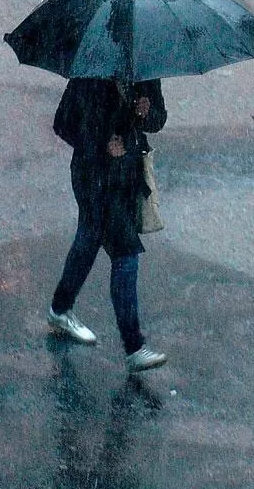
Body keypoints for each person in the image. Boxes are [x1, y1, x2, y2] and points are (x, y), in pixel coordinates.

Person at [47, 76, 167, 372]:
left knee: (88, 240)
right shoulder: (90, 76)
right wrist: (103, 145)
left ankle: (60, 309)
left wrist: (146, 112)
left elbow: (158, 120)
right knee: (126, 254)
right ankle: (134, 347)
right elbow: (63, 123)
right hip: (93, 177)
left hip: (126, 178)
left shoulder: (146, 72)